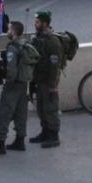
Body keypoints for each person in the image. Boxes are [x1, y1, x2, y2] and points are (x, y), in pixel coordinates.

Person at [0, 21, 33, 154]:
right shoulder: (24, 44)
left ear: (13, 31)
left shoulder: (12, 47)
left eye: (8, 29)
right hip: (23, 84)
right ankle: (20, 140)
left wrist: (8, 81)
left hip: (13, 84)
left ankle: (0, 144)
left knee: (3, 113)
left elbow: (11, 70)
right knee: (20, 113)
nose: (7, 31)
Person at [29, 11, 64, 148]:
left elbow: (55, 64)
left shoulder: (52, 41)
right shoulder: (39, 38)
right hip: (39, 79)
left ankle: (54, 136)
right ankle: (45, 132)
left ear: (44, 23)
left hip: (48, 80)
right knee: (41, 108)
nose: (35, 24)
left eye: (37, 22)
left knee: (50, 109)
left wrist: (53, 84)